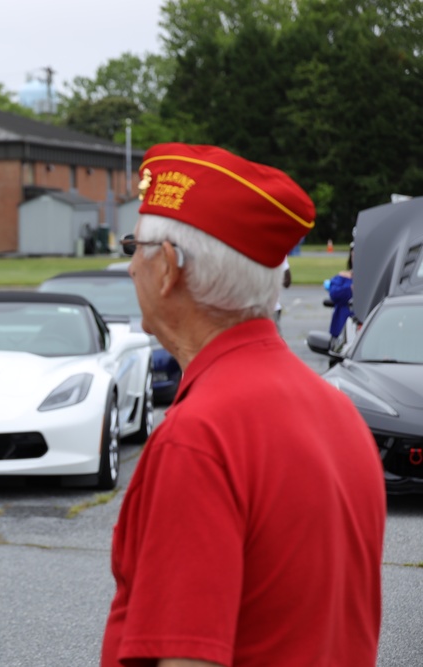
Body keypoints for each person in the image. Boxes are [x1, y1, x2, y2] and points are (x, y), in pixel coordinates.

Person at [103, 143, 386, 666]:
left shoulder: (201, 435)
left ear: (167, 268)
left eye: (132, 247)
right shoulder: (337, 412)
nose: (128, 270)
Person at [324, 243, 354, 351]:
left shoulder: (372, 279)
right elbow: (334, 294)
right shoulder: (342, 277)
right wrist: (351, 288)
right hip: (341, 327)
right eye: (353, 253)